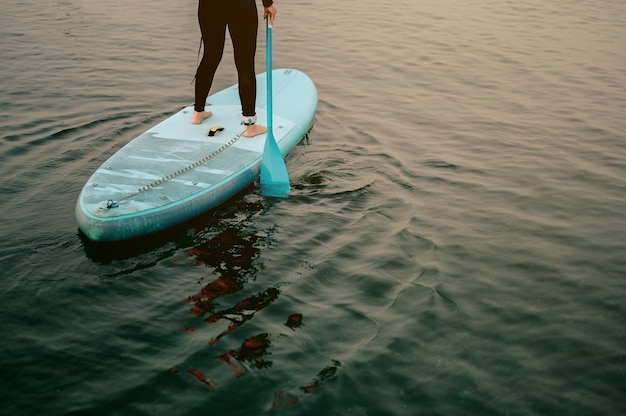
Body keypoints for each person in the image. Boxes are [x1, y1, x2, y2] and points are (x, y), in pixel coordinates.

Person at [192, 0, 277, 139]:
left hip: (209, 5)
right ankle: (250, 125)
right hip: (241, 5)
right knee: (245, 63)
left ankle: (198, 113)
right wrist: (268, 3)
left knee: (210, 56)